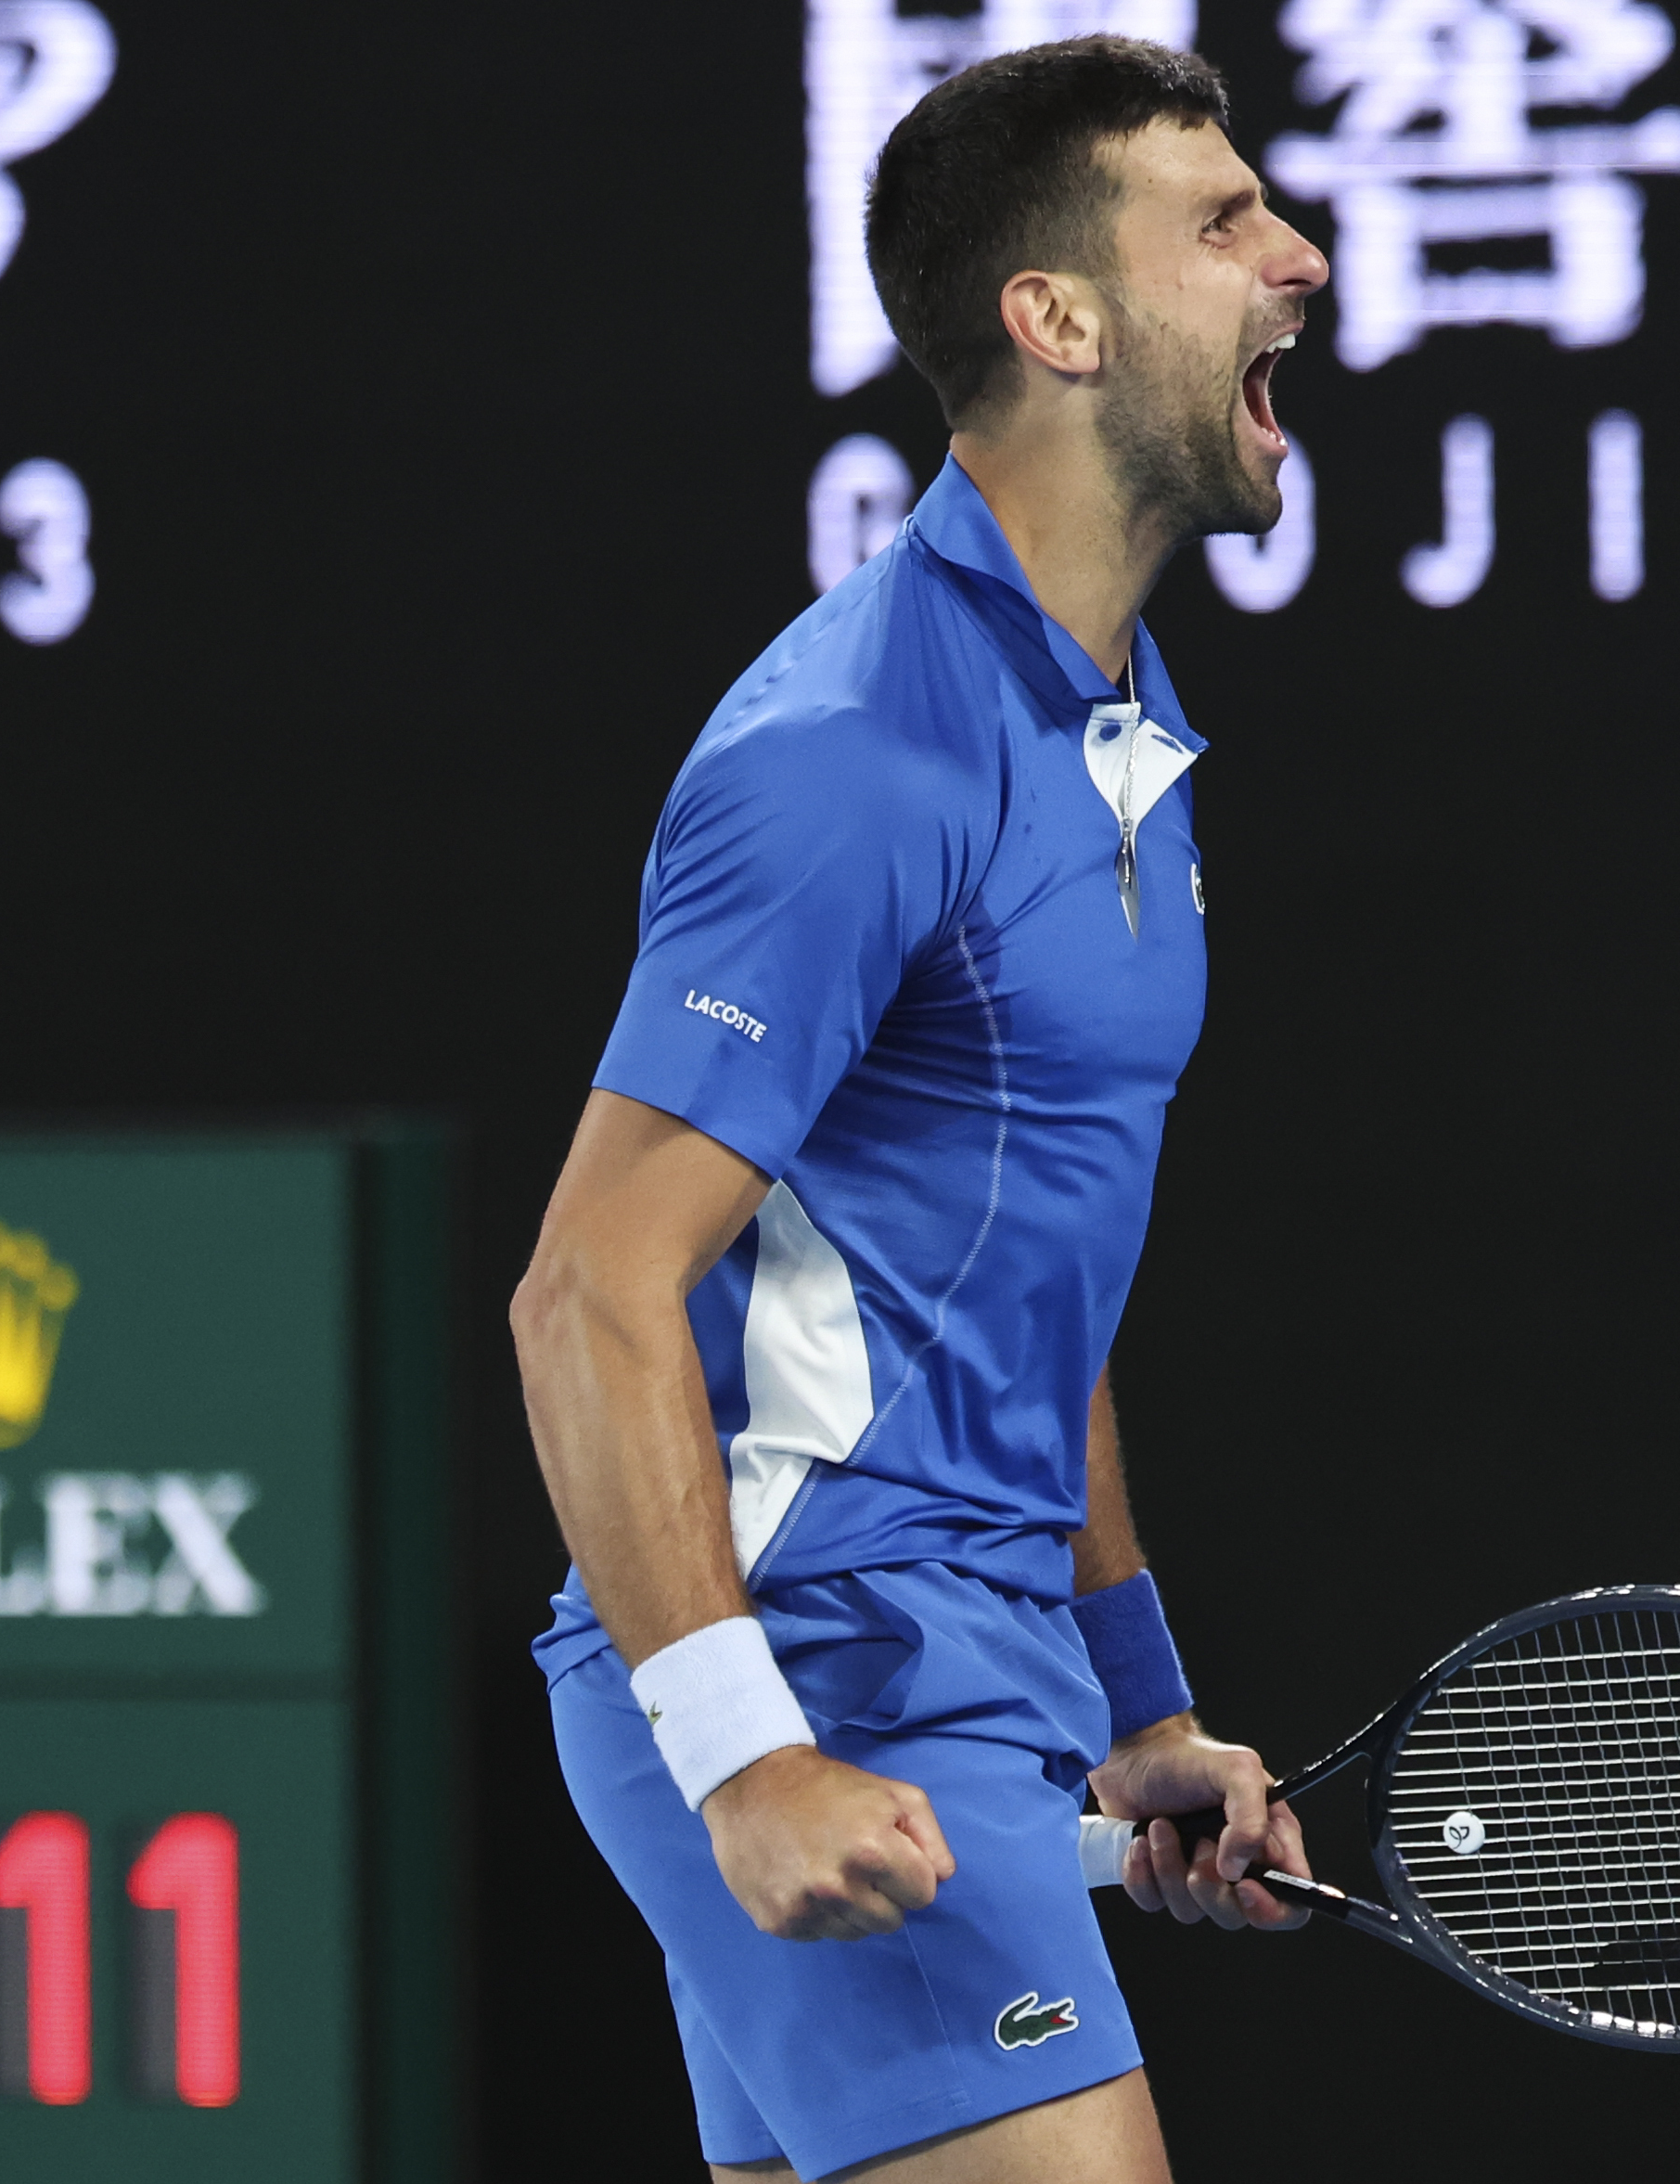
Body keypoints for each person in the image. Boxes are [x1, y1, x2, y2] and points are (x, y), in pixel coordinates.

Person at [510, 40, 1327, 2182]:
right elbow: (587, 1292)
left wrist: (1137, 1696)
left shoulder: (1114, 720)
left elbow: (1015, 1267)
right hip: (825, 1662)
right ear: (1057, 322)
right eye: (1223, 222)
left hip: (952, 1658)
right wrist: (743, 1753)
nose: (1298, 259)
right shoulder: (855, 749)